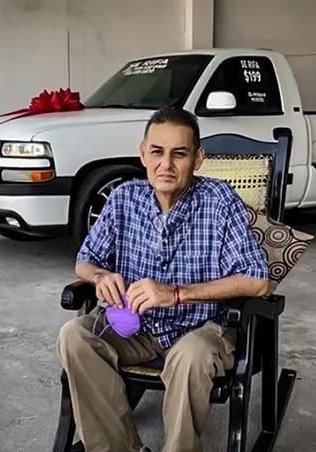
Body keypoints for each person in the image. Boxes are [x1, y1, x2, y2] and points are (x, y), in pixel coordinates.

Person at [56, 107, 269, 452]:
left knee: (191, 355)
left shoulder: (219, 200)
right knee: (75, 335)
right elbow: (85, 261)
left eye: (179, 154)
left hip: (201, 328)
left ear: (198, 159)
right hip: (136, 328)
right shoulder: (124, 198)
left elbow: (256, 280)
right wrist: (101, 276)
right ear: (143, 154)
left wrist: (175, 294)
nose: (165, 164)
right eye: (157, 152)